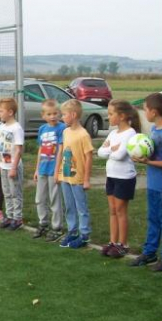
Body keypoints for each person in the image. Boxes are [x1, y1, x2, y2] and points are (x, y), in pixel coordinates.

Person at [131, 93, 162, 272]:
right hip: (152, 183)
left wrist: (147, 162)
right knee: (152, 218)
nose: (144, 113)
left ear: (154, 111)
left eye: (146, 110)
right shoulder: (154, 131)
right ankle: (150, 252)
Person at [97, 100, 140, 258]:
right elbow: (100, 152)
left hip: (124, 178)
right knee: (113, 210)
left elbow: (120, 155)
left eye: (111, 114)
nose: (108, 117)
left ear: (121, 116)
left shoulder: (130, 133)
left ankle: (123, 244)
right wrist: (110, 149)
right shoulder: (113, 134)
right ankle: (113, 241)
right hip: (111, 176)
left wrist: (110, 149)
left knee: (121, 210)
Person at [55, 99, 94, 249]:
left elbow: (89, 157)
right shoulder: (65, 132)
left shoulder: (83, 135)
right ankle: (72, 231)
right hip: (65, 176)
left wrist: (86, 179)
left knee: (81, 207)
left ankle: (84, 234)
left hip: (78, 178)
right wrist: (58, 172)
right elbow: (62, 152)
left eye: (64, 114)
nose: (62, 117)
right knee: (69, 206)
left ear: (73, 114)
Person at [32, 99, 65, 240]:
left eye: (55, 113)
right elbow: (41, 149)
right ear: (43, 115)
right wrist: (37, 169)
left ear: (59, 114)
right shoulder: (42, 129)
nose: (52, 116)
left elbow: (61, 150)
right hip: (43, 169)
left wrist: (58, 170)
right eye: (49, 114)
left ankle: (57, 227)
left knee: (55, 199)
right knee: (40, 198)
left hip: (54, 170)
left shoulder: (62, 128)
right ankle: (43, 223)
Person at [0, 97, 25, 230]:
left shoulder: (16, 128)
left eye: (1, 111)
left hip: (13, 167)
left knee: (15, 192)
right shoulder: (2, 127)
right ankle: (9, 215)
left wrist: (14, 167)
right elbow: (0, 147)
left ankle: (17, 218)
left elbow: (19, 150)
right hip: (3, 165)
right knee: (6, 192)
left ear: (10, 112)